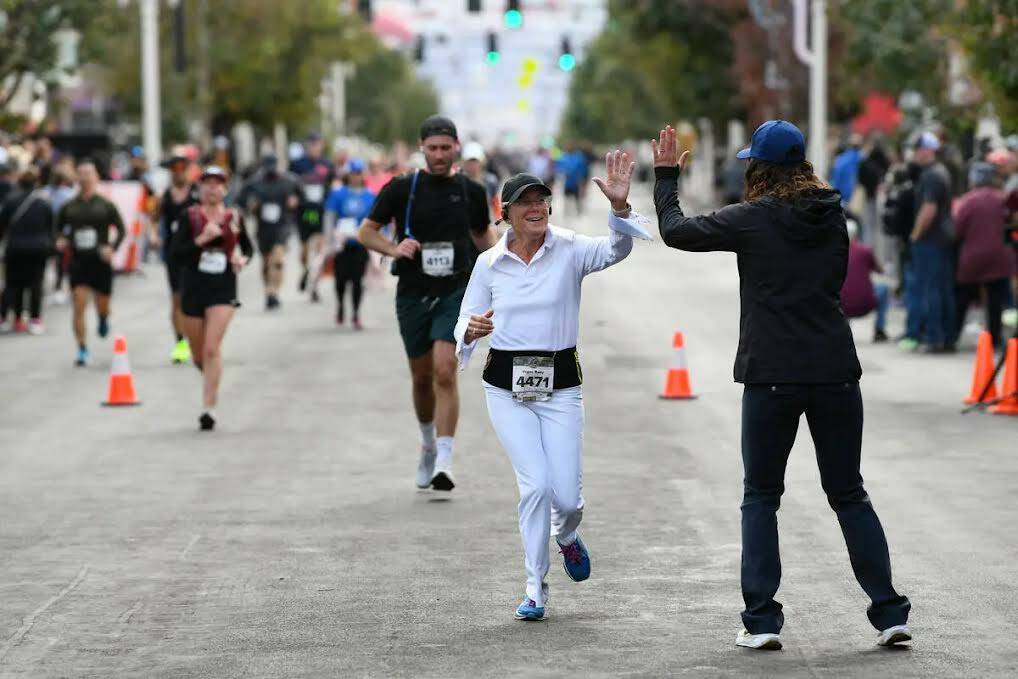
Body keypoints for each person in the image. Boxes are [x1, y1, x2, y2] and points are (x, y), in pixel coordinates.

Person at [653, 121, 911, 650]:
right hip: (836, 369)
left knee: (761, 497)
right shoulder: (832, 214)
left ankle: (763, 622)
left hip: (772, 374)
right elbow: (833, 281)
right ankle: (889, 613)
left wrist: (664, 178)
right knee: (848, 492)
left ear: (759, 167)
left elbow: (677, 231)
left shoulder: (751, 219)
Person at [455, 156, 647, 621]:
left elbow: (616, 250)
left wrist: (620, 209)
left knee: (567, 498)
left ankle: (566, 536)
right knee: (535, 486)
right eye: (526, 202)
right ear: (506, 212)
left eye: (542, 200)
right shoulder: (489, 263)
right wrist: (470, 330)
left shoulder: (570, 248)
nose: (537, 207)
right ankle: (535, 587)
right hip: (505, 387)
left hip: (561, 386)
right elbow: (464, 318)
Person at [357, 115, 496, 492]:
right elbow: (366, 232)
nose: (438, 155)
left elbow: (484, 236)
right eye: (432, 148)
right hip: (414, 293)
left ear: (456, 147)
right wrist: (393, 247)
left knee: (444, 370)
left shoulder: (470, 191)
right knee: (421, 378)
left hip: (456, 292)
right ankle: (428, 444)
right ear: (422, 148)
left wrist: (513, 265)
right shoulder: (401, 189)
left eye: (445, 148)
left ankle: (447, 462)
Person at [171, 166, 253, 431]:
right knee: (198, 356)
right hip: (193, 287)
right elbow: (174, 254)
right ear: (199, 189)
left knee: (211, 348)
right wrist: (200, 240)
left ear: (225, 189)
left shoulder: (234, 217)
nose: (212, 188)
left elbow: (249, 248)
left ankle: (209, 408)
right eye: (207, 183)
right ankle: (209, 375)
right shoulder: (189, 216)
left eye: (217, 184)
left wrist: (242, 259)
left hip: (223, 288)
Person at [56, 159, 126, 366]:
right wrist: (60, 240)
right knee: (78, 304)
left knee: (102, 305)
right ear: (76, 178)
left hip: (100, 262)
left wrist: (111, 248)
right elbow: (57, 228)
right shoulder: (69, 206)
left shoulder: (105, 204)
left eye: (89, 173)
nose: (85, 177)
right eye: (82, 173)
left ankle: (103, 318)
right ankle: (82, 349)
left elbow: (121, 229)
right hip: (78, 261)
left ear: (96, 177)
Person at [901, 132, 956, 353]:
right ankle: (946, 336)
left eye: (917, 149)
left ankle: (934, 336)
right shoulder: (938, 172)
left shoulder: (931, 175)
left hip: (930, 239)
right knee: (941, 288)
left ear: (927, 150)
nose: (914, 153)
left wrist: (915, 235)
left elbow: (929, 209)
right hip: (940, 238)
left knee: (930, 289)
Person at [952, 162, 1016, 349]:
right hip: (1000, 257)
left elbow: (957, 230)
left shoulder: (967, 201)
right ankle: (995, 338)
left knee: (963, 297)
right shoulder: (1002, 199)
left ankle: (954, 334)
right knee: (995, 299)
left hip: (973, 257)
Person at [153, 154, 200, 363]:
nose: (179, 173)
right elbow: (152, 220)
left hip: (196, 253)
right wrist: (153, 235)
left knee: (197, 299)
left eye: (182, 169)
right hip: (174, 254)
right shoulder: (164, 197)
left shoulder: (197, 194)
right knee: (177, 300)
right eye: (175, 170)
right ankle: (181, 343)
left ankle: (199, 338)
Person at [239, 155, 301, 310]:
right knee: (266, 261)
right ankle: (268, 290)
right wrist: (250, 205)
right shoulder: (255, 183)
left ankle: (274, 292)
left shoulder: (289, 181)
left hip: (282, 225)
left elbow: (303, 196)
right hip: (263, 227)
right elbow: (240, 199)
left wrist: (295, 202)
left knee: (277, 259)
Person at [0, 167, 55, 334]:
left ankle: (8, 318)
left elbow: (2, 225)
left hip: (15, 248)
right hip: (38, 248)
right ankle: (35, 319)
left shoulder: (10, 200)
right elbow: (50, 228)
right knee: (36, 284)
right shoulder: (44, 203)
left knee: (13, 284)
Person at [323, 159, 375, 329]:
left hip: (360, 244)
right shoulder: (338, 194)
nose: (355, 177)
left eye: (358, 173)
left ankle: (355, 314)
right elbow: (330, 216)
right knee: (340, 281)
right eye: (353, 174)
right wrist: (329, 240)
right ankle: (340, 307)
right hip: (341, 244)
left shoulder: (370, 196)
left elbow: (375, 220)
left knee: (358, 281)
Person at [290, 132, 334, 300]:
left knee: (320, 248)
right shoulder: (297, 164)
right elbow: (290, 183)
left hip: (321, 210)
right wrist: (292, 197)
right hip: (305, 210)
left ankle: (314, 283)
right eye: (311, 144)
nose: (314, 147)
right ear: (307, 145)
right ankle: (306, 270)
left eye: (317, 144)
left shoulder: (327, 164)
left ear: (322, 145)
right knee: (305, 248)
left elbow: (333, 183)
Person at [840, 216, 890, 342]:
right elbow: (880, 271)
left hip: (842, 305)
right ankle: (879, 330)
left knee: (841, 287)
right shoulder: (865, 251)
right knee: (883, 289)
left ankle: (844, 330)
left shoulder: (836, 252)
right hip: (865, 303)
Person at [556, 143, 591, 216]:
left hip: (575, 181)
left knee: (577, 197)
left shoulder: (578, 157)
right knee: (566, 197)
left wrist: (583, 179)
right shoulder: (564, 157)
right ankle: (566, 211)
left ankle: (578, 210)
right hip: (567, 182)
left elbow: (583, 169)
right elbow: (559, 167)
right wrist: (563, 172)